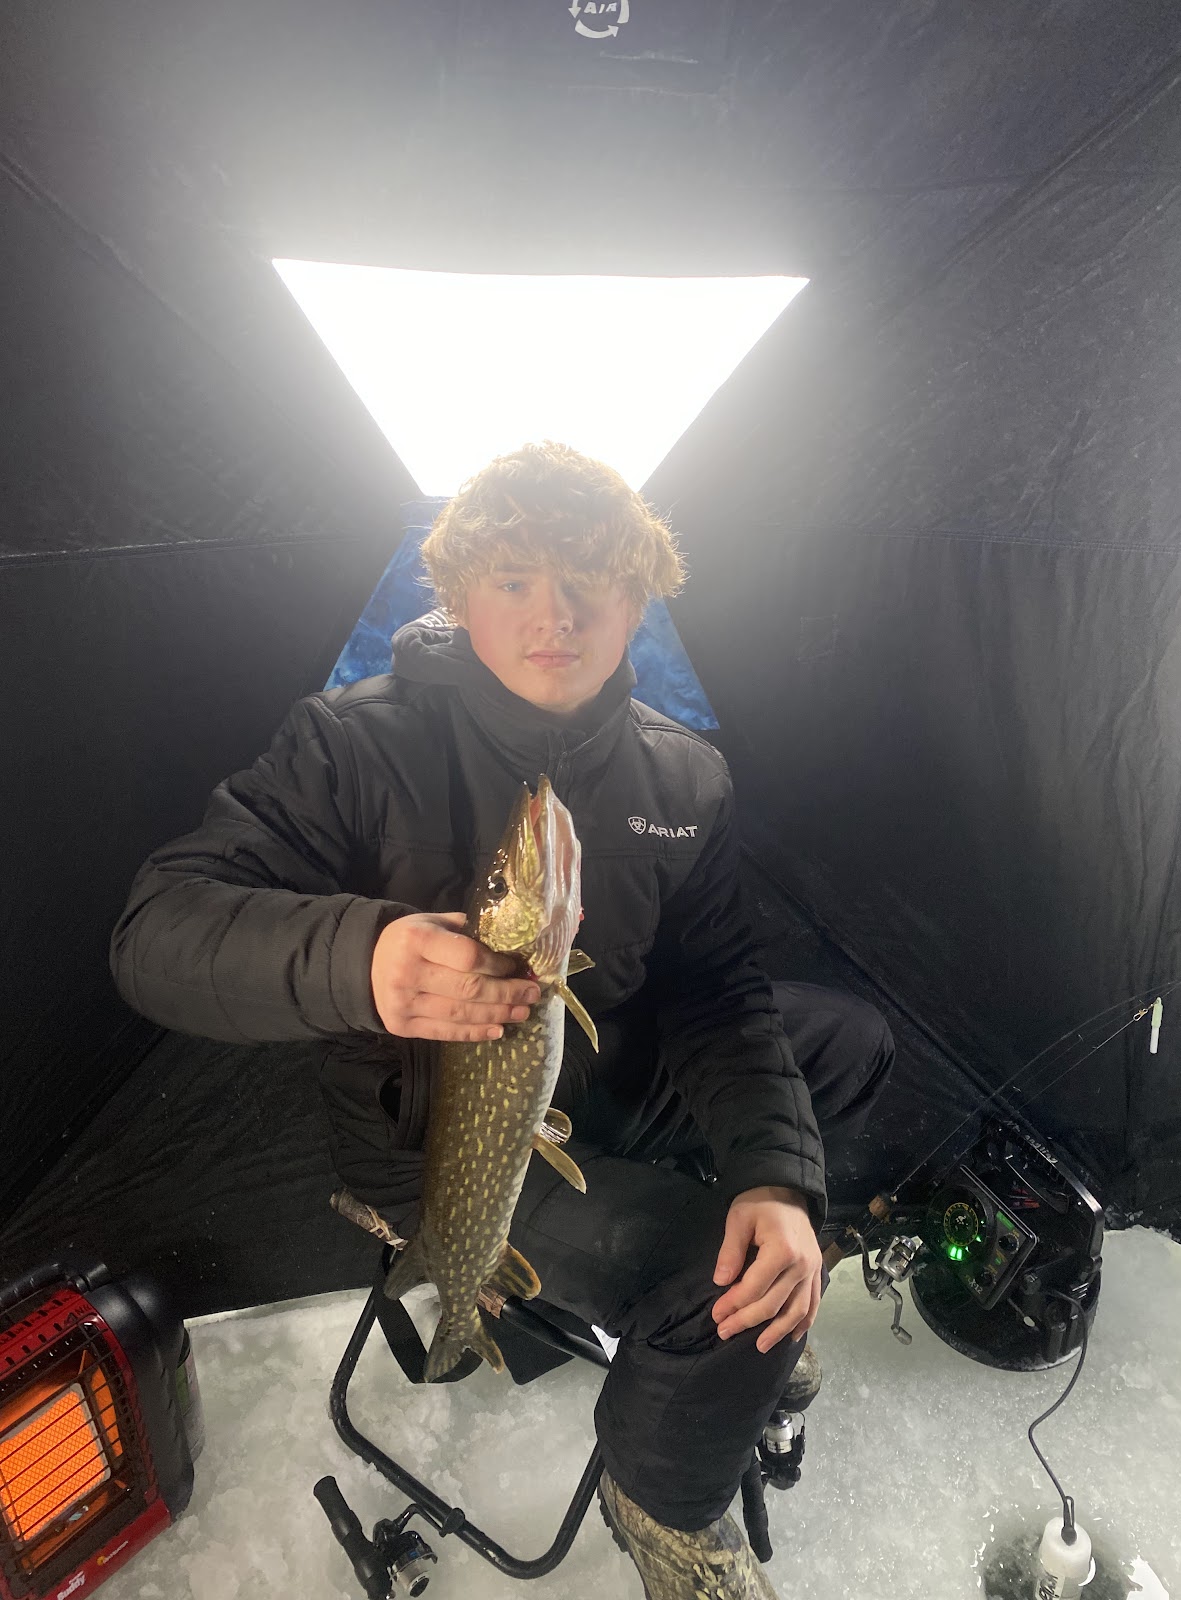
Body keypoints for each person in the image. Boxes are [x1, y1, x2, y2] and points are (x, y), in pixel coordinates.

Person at [111, 440, 894, 1600]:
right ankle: (663, 1505)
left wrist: (777, 1177)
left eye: (591, 580)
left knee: (850, 1047)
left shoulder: (686, 780)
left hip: (603, 1078)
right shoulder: (349, 745)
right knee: (718, 1289)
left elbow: (718, 989)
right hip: (438, 1148)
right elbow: (157, 932)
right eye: (515, 578)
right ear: (458, 591)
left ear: (640, 596)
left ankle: (726, 1275)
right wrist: (359, 957)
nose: (555, 613)